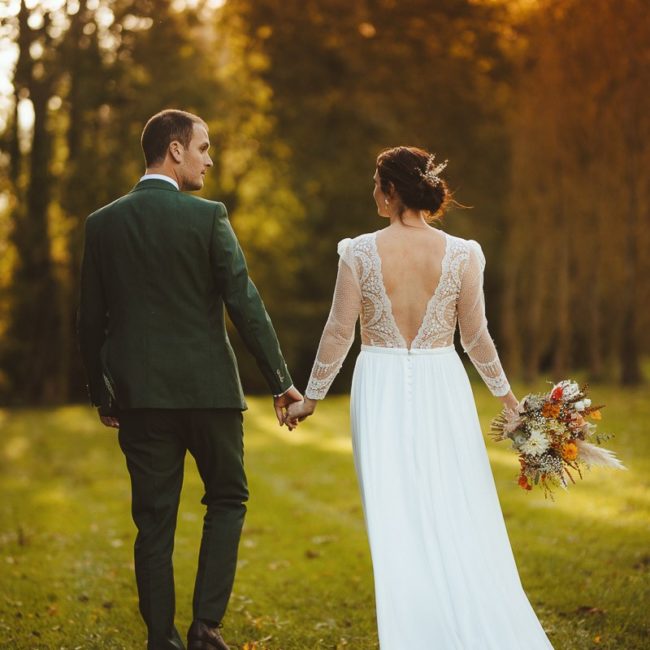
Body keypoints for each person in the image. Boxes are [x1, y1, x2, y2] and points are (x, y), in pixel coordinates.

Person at [286, 146, 554, 649]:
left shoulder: (360, 251)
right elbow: (476, 338)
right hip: (442, 384)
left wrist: (313, 398)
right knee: (453, 506)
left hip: (380, 385)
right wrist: (510, 403)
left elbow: (339, 331)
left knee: (395, 520)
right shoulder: (462, 253)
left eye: (375, 183)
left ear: (390, 192)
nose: (372, 191)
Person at [77, 109, 302, 650]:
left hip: (140, 400)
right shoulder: (207, 218)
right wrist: (280, 381)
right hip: (210, 397)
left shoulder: (102, 224)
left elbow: (89, 321)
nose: (209, 157)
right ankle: (206, 626)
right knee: (227, 497)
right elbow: (244, 303)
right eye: (203, 146)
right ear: (174, 150)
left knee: (153, 521)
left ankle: (162, 639)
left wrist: (102, 392)